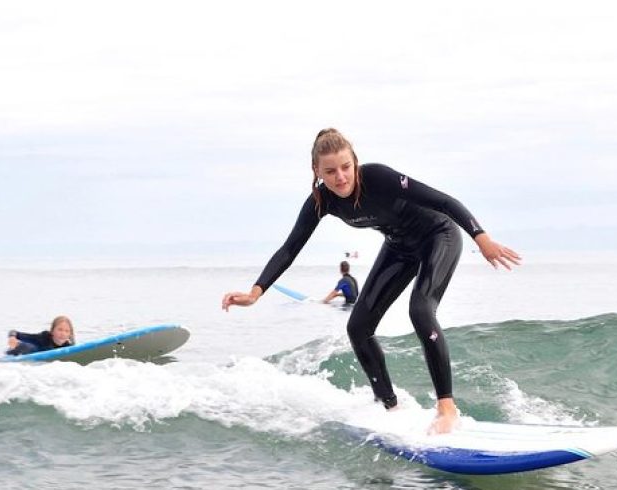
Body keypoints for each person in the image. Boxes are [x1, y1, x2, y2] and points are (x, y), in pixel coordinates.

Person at [222, 128, 520, 434]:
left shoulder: (379, 178)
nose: (340, 177)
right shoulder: (320, 201)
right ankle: (389, 406)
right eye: (330, 171)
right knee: (358, 327)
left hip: (437, 237)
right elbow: (290, 248)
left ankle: (447, 408)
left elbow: (444, 202)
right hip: (399, 246)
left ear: (355, 161)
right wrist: (255, 292)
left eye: (345, 167)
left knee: (420, 310)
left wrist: (481, 238)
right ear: (316, 172)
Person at [6, 315, 75, 356]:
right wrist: (12, 337)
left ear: (70, 334)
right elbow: (14, 332)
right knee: (30, 347)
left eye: (67, 331)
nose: (63, 333)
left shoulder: (68, 347)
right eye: (60, 329)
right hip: (20, 353)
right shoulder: (43, 337)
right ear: (52, 331)